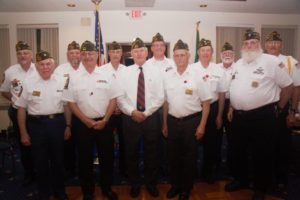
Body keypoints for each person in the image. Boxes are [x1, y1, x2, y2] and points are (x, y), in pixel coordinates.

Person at [225, 29, 293, 200]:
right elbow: (234, 87)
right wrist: (232, 106)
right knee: (238, 151)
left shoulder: (271, 61)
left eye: (253, 42)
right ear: (243, 46)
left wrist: (280, 107)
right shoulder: (239, 63)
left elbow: (288, 86)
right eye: (247, 43)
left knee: (262, 154)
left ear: (259, 44)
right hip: (239, 117)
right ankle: (241, 180)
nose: (250, 46)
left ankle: (261, 188)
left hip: (262, 117)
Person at [63, 40, 122, 200]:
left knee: (107, 157)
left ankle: (106, 188)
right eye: (84, 54)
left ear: (97, 55)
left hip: (104, 123)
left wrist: (105, 119)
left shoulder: (108, 74)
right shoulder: (71, 77)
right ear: (80, 56)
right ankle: (88, 191)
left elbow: (113, 99)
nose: (88, 56)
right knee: (84, 159)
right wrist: (85, 120)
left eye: (91, 53)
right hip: (82, 125)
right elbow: (70, 102)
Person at [16, 50, 70, 200]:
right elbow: (21, 109)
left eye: (48, 64)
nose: (45, 67)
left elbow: (66, 106)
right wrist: (23, 133)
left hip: (57, 124)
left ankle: (60, 191)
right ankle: (44, 192)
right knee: (40, 162)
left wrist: (68, 125)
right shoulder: (28, 82)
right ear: (37, 66)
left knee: (58, 161)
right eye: (41, 64)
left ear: (53, 65)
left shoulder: (62, 81)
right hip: (36, 125)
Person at [162, 39, 211, 200]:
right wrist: (164, 123)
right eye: (176, 56)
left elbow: (206, 103)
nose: (179, 58)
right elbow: (166, 103)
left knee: (189, 157)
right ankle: (175, 185)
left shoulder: (198, 76)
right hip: (172, 122)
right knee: (173, 156)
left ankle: (186, 188)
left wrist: (202, 126)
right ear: (173, 57)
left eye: (182, 55)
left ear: (188, 56)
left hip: (192, 122)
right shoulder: (168, 76)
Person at [117, 37, 164, 198]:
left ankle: (151, 183)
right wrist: (132, 111)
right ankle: (135, 183)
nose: (138, 53)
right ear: (132, 53)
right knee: (131, 152)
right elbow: (120, 97)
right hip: (130, 118)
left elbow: (160, 97)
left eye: (141, 50)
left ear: (146, 52)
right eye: (135, 51)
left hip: (150, 118)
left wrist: (146, 112)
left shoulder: (156, 71)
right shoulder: (124, 72)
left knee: (153, 152)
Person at [265, 31, 300, 192]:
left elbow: (296, 88)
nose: (273, 45)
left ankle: (281, 179)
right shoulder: (260, 60)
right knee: (264, 144)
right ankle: (265, 178)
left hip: (283, 108)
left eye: (276, 42)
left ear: (281, 45)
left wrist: (292, 111)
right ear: (266, 45)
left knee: (282, 145)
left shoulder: (290, 62)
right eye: (270, 42)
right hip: (263, 109)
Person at [191, 38, 227, 183]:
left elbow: (222, 94)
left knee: (211, 144)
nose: (205, 53)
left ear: (212, 52)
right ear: (198, 52)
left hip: (213, 109)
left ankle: (208, 173)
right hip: (195, 109)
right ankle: (192, 172)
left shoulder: (218, 69)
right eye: (202, 50)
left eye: (208, 50)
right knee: (192, 143)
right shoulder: (191, 68)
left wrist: (219, 115)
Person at [0, 41, 36, 186]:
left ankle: (40, 170)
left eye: (26, 52)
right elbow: (4, 90)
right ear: (17, 55)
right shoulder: (10, 72)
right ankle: (29, 173)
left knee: (38, 143)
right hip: (17, 113)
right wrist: (16, 100)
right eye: (20, 53)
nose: (23, 55)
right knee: (24, 143)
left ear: (31, 54)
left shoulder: (39, 69)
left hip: (35, 113)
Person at [146, 32, 174, 181]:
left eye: (161, 45)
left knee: (168, 139)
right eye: (155, 45)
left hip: (170, 107)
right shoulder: (146, 64)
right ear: (151, 48)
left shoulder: (172, 63)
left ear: (165, 47)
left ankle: (167, 169)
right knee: (153, 142)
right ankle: (154, 171)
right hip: (153, 109)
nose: (158, 47)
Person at [55, 40, 82, 179]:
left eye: (77, 52)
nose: (75, 55)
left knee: (84, 144)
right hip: (66, 111)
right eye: (72, 53)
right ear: (67, 55)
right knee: (68, 143)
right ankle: (70, 169)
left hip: (83, 112)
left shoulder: (87, 67)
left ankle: (83, 168)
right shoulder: (60, 70)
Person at [101, 41, 127, 179]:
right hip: (108, 113)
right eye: (113, 52)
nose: (116, 54)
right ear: (109, 53)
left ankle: (124, 169)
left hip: (124, 113)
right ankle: (108, 170)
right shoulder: (101, 70)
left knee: (125, 142)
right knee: (107, 144)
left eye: (118, 51)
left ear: (121, 53)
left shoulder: (127, 70)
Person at [216, 42, 235, 177]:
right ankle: (216, 165)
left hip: (233, 103)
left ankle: (231, 166)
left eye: (230, 53)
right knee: (215, 136)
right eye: (225, 53)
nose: (227, 55)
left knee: (233, 137)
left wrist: (232, 106)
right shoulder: (215, 68)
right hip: (217, 104)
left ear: (234, 56)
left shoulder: (239, 68)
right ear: (220, 55)